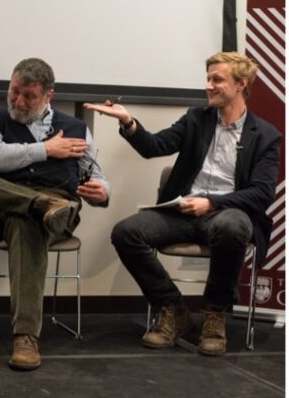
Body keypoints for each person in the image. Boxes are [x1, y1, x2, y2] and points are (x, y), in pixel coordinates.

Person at [85, 51, 281, 356]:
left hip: (225, 214)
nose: (209, 85)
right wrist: (127, 121)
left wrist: (211, 203)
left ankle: (215, 315)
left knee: (232, 226)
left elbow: (261, 193)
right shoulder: (196, 119)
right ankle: (172, 308)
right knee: (126, 232)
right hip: (181, 212)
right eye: (208, 78)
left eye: (217, 79)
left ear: (241, 83)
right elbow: (154, 146)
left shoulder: (265, 135)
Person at [0, 58, 110, 370]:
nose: (17, 100)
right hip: (0, 203)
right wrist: (46, 150)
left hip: (58, 208)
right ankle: (35, 204)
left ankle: (26, 336)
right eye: (14, 91)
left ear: (48, 96)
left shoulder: (75, 129)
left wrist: (102, 192)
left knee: (27, 221)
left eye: (28, 95)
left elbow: (96, 176)